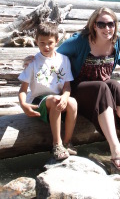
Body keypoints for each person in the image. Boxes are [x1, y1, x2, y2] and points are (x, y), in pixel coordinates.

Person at [57, 7, 120, 171]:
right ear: (93, 26)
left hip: (101, 88)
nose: (107, 28)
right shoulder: (80, 41)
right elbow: (55, 54)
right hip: (78, 89)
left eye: (110, 24)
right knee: (103, 87)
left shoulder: (117, 40)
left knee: (115, 85)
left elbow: (114, 56)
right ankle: (115, 148)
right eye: (101, 24)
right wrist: (34, 59)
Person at [18, 22, 77, 161]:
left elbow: (67, 86)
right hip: (38, 101)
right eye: (42, 43)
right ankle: (57, 144)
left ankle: (68, 142)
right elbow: (23, 90)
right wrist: (23, 105)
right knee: (55, 100)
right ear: (36, 41)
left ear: (57, 41)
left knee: (73, 102)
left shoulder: (64, 60)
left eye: (50, 43)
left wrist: (65, 97)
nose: (46, 46)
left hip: (56, 98)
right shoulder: (32, 62)